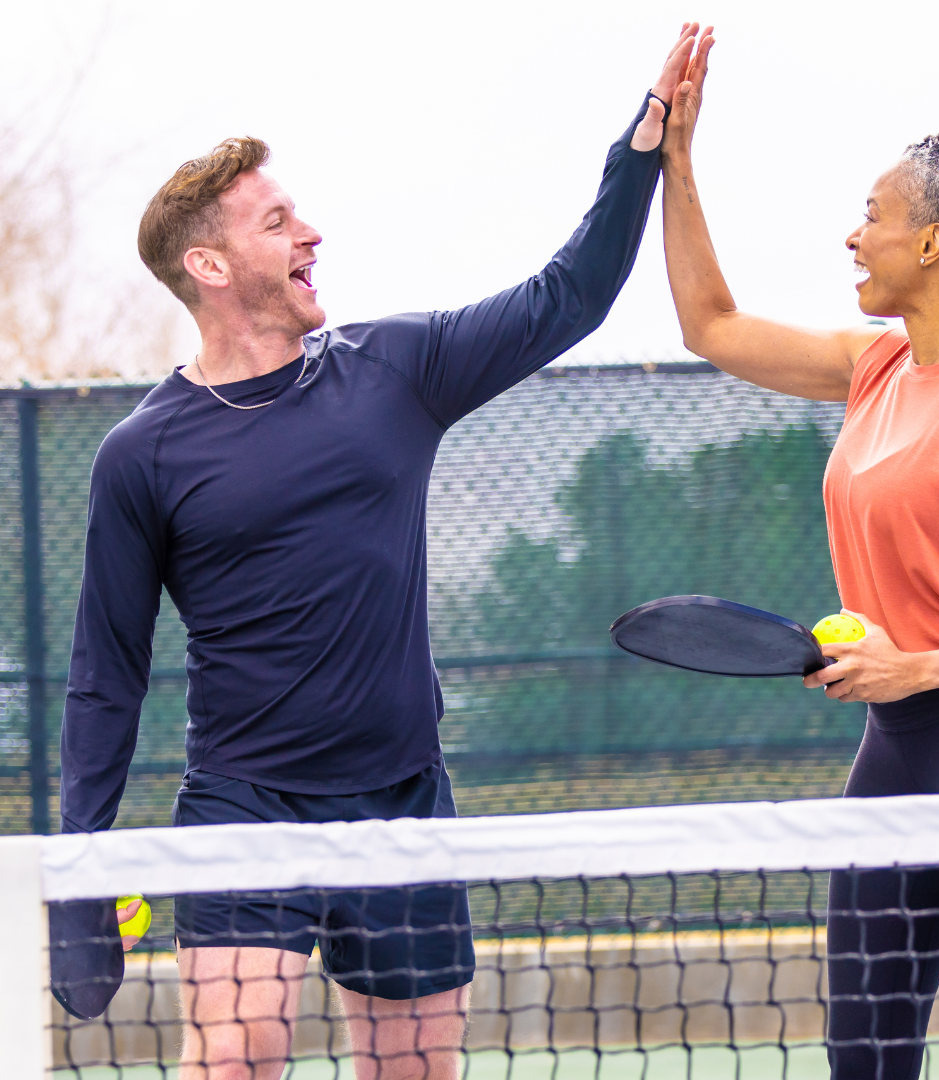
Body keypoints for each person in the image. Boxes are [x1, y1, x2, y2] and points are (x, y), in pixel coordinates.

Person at [55, 25, 705, 1080]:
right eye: (279, 221)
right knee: (237, 1055)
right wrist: (80, 868)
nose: (311, 232)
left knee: (417, 1073)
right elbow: (104, 675)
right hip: (242, 808)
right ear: (210, 265)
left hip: (403, 800)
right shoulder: (143, 456)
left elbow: (567, 297)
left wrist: (639, 148)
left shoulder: (396, 369)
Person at [659, 32, 939, 1080]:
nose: (853, 237)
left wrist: (920, 666)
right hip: (891, 756)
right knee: (866, 1058)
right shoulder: (873, 365)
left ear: (934, 244)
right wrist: (676, 160)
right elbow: (710, 324)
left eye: (874, 217)